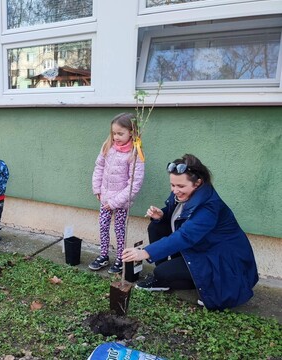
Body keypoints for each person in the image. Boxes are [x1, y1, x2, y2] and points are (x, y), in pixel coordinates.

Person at [122, 154, 258, 310]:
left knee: (162, 272)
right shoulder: (183, 193)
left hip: (218, 258)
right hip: (199, 248)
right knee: (156, 226)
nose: (175, 190)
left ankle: (207, 284)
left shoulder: (209, 207)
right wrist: (162, 215)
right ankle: (168, 275)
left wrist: (145, 252)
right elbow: (178, 214)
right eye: (172, 185)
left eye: (180, 186)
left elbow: (185, 236)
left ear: (198, 183)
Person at [89, 113, 144, 274]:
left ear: (131, 133)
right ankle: (103, 255)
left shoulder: (135, 154)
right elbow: (99, 167)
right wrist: (97, 188)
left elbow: (134, 184)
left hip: (121, 201)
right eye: (114, 133)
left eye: (120, 133)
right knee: (103, 225)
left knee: (119, 229)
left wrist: (115, 202)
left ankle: (121, 258)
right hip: (105, 197)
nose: (116, 137)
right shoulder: (108, 146)